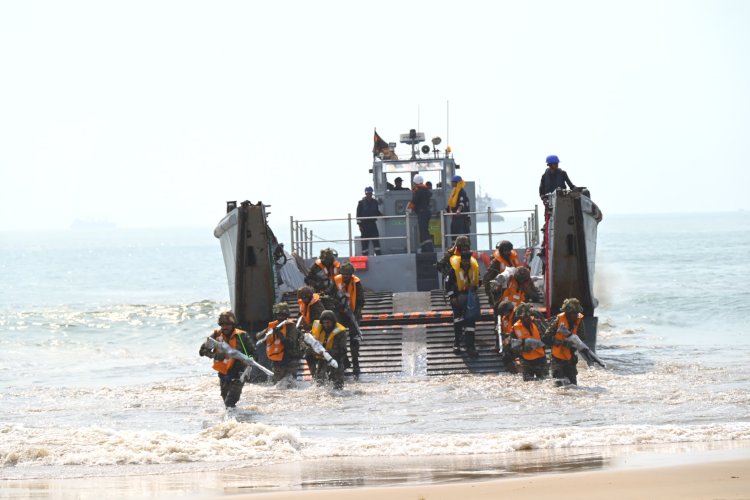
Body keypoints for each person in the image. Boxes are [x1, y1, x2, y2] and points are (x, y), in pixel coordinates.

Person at [198, 311, 256, 408]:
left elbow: (254, 353)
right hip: (223, 373)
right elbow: (202, 351)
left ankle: (238, 417)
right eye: (222, 324)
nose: (225, 327)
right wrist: (215, 355)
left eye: (227, 324)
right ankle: (237, 416)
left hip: (239, 373)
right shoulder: (216, 335)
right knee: (227, 403)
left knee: (230, 401)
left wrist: (249, 360)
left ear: (233, 324)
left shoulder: (242, 336)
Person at [445, 238, 480, 358]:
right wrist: (452, 297)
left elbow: (478, 281)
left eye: (467, 260)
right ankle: (457, 344)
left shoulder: (474, 268)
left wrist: (475, 287)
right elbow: (448, 284)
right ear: (461, 260)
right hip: (457, 298)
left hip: (470, 298)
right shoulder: (453, 270)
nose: (466, 262)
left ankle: (470, 347)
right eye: (464, 260)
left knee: (470, 322)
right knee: (458, 321)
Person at [330, 262, 365, 378]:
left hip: (352, 313)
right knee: (338, 338)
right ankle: (344, 362)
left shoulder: (356, 282)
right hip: (339, 313)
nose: (346, 276)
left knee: (354, 339)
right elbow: (330, 296)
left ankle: (356, 364)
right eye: (344, 274)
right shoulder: (336, 281)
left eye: (348, 274)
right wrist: (338, 304)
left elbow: (361, 300)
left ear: (352, 274)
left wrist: (357, 313)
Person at [543, 297, 586, 386]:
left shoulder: (579, 320)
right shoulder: (558, 320)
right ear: (567, 313)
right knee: (558, 385)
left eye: (577, 313)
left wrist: (572, 343)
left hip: (571, 358)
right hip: (557, 358)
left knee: (573, 385)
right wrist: (559, 342)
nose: (576, 315)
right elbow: (546, 338)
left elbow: (582, 337)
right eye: (573, 313)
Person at [265, 303, 305, 385]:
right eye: (279, 315)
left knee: (291, 384)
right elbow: (261, 338)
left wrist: (280, 334)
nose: (281, 318)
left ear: (287, 316)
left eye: (283, 315)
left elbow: (291, 343)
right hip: (278, 360)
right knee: (277, 384)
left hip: (290, 359)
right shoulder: (273, 326)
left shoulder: (291, 327)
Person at [309, 310, 349, 389]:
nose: (326, 325)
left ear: (333, 322)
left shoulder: (340, 332)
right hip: (322, 361)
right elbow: (308, 341)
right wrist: (312, 350)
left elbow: (342, 349)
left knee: (337, 387)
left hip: (336, 361)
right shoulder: (318, 329)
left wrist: (328, 352)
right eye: (324, 323)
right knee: (319, 385)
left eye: (328, 322)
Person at [512, 303, 549, 381]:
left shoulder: (538, 323)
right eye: (524, 317)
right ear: (520, 317)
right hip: (526, 361)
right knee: (528, 382)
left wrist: (537, 343)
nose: (527, 318)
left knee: (544, 381)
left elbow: (548, 338)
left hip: (540, 359)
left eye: (528, 316)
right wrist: (524, 346)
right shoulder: (515, 328)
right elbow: (513, 345)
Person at [297, 285, 325, 377]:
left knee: (320, 356)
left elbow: (319, 321)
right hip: (309, 333)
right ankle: (314, 374)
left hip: (319, 333)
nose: (304, 300)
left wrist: (307, 326)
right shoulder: (303, 303)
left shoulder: (317, 305)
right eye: (302, 298)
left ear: (309, 296)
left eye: (305, 298)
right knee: (308, 355)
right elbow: (300, 314)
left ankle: (322, 375)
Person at [407, 174, 434, 253]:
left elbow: (414, 201)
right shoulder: (426, 190)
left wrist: (409, 209)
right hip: (426, 212)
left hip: (422, 213)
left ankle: (428, 249)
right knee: (424, 230)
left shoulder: (418, 191)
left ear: (415, 182)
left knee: (423, 231)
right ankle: (424, 248)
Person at [356, 186, 382, 256]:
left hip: (372, 224)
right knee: (364, 242)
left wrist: (383, 215)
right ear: (365, 193)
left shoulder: (375, 202)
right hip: (364, 225)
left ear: (372, 193)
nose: (369, 194)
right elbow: (358, 215)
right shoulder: (361, 203)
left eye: (370, 193)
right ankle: (365, 255)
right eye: (368, 193)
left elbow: (376, 212)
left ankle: (378, 255)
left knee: (376, 240)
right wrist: (359, 225)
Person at [495, 300, 519, 372]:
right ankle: (512, 370)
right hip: (510, 342)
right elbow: (502, 331)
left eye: (504, 312)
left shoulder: (517, 316)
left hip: (520, 340)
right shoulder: (504, 318)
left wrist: (508, 338)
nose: (503, 314)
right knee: (505, 354)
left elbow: (517, 331)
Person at [446, 175, 470, 242]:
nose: (451, 183)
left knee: (461, 232)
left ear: (457, 183)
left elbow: (461, 202)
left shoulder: (462, 192)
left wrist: (458, 210)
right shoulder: (454, 191)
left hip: (461, 217)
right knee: (453, 232)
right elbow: (450, 203)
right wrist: (447, 210)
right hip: (455, 217)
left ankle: (462, 246)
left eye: (453, 182)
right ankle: (454, 245)